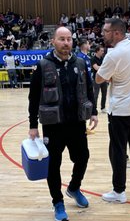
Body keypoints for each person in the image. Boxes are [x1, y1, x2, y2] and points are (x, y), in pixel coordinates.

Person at [28, 26, 98, 221]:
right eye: (61, 39)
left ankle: (74, 188)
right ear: (53, 41)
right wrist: (33, 125)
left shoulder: (81, 63)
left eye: (69, 39)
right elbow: (33, 98)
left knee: (82, 157)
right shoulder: (43, 66)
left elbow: (89, 90)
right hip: (53, 125)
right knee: (53, 165)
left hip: (76, 122)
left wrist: (93, 112)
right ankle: (57, 202)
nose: (66, 43)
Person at [96, 18, 130, 203]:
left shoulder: (112, 55)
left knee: (118, 151)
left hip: (120, 111)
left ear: (116, 33)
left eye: (106, 31)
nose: (103, 34)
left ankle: (119, 192)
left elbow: (99, 79)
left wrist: (109, 75)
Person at [91, 45, 108, 113]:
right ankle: (94, 108)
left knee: (104, 93)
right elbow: (96, 68)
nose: (103, 52)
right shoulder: (93, 59)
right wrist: (103, 67)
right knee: (96, 94)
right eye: (101, 51)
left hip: (103, 78)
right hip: (96, 79)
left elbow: (103, 67)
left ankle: (103, 108)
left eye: (103, 51)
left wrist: (102, 67)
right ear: (97, 51)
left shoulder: (103, 58)